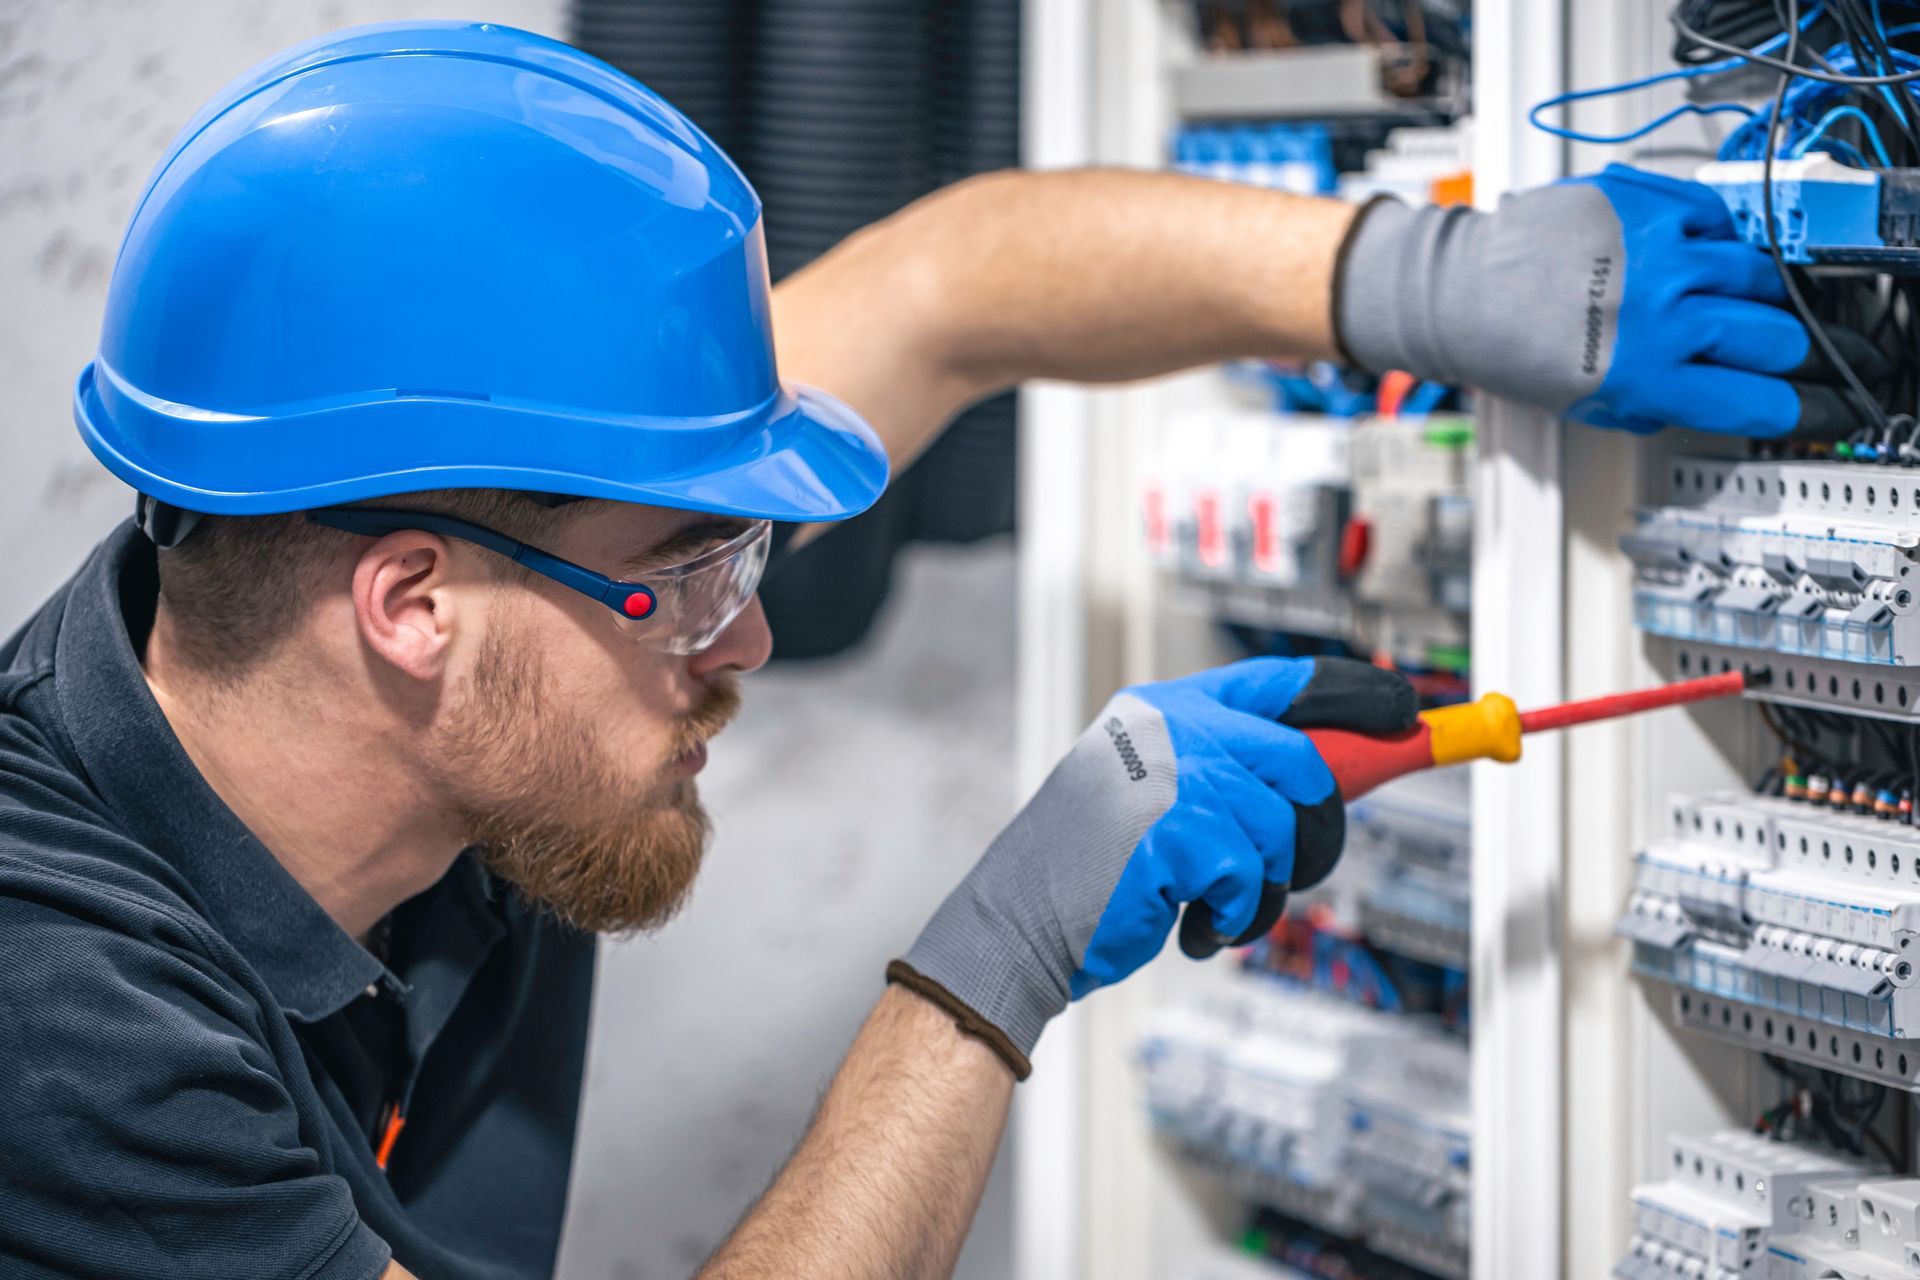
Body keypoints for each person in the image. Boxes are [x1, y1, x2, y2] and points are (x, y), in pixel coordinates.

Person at [0, 21, 1855, 1280]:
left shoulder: (487, 603)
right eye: (692, 572)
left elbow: (958, 283)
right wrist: (992, 967)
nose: (753, 626)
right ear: (410, 606)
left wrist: (1421, 278)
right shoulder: (63, 1024)